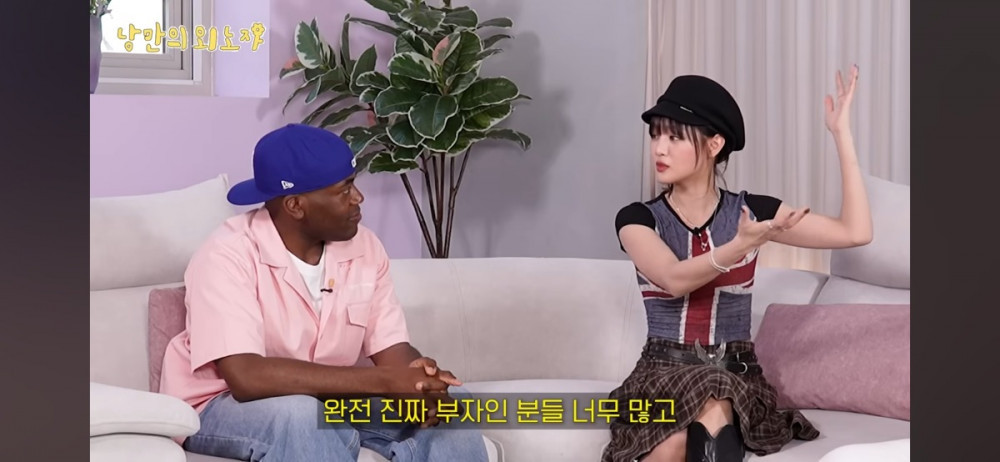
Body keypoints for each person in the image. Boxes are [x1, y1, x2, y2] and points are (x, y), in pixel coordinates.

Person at [159, 123, 490, 462]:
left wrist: (419, 381)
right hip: (220, 404)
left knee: (452, 407)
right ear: (295, 205)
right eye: (344, 190)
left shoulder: (365, 247)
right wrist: (386, 381)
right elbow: (246, 377)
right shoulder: (226, 255)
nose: (358, 198)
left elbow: (391, 346)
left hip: (329, 396)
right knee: (302, 416)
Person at [603, 67, 872, 462]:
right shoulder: (638, 219)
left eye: (675, 137)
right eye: (656, 135)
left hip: (736, 373)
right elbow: (673, 279)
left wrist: (841, 135)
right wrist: (738, 247)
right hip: (661, 373)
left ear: (714, 144)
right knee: (672, 443)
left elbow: (855, 232)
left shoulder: (753, 211)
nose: (659, 148)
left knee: (716, 392)